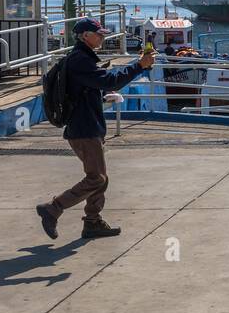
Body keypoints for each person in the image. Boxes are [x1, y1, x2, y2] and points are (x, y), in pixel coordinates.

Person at [36, 18, 155, 240]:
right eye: (98, 33)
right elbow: (110, 81)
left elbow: (90, 87)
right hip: (84, 128)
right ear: (85, 36)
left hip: (87, 126)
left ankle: (93, 222)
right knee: (96, 179)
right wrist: (139, 66)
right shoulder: (80, 60)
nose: (102, 37)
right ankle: (53, 208)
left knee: (101, 177)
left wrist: (101, 94)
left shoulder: (81, 59)